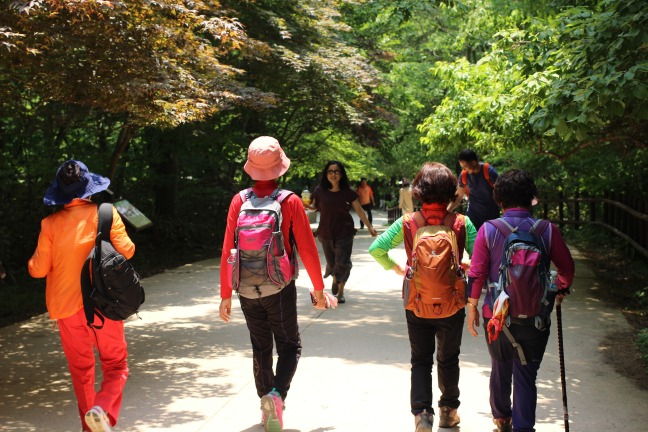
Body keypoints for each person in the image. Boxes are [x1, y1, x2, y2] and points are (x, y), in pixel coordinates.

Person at [218, 136, 328, 432]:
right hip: (279, 287)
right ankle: (277, 397)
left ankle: (265, 401)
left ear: (251, 169)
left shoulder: (239, 200)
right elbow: (306, 248)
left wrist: (225, 294)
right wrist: (318, 290)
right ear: (280, 168)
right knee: (290, 345)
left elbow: (228, 247)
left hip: (245, 287)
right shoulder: (289, 201)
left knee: (260, 345)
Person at [369, 162, 477, 432]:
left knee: (420, 360)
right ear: (450, 191)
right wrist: (462, 268)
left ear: (419, 190)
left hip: (417, 302)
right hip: (452, 303)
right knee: (449, 358)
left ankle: (421, 415)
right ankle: (448, 412)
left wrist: (400, 269)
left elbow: (376, 248)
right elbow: (480, 261)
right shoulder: (461, 223)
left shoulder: (408, 223)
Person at [28, 160, 135, 432]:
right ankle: (102, 409)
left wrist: (32, 262)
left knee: (81, 372)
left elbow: (38, 270)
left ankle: (90, 426)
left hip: (66, 308)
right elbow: (128, 250)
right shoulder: (106, 214)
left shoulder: (49, 224)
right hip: (105, 303)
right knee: (116, 365)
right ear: (89, 188)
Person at [465, 169, 575, 432]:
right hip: (536, 315)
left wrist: (472, 308)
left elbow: (477, 273)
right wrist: (554, 290)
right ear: (532, 198)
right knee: (526, 374)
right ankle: (523, 428)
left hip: (497, 315)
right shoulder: (547, 230)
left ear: (498, 199)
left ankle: (502, 418)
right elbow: (567, 271)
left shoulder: (488, 230)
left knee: (500, 368)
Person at [311, 161, 377, 303]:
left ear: (341, 174)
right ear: (326, 174)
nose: (333, 174)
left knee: (343, 262)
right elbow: (314, 207)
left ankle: (340, 292)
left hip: (344, 232)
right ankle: (335, 276)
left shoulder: (348, 192)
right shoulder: (319, 191)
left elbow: (359, 210)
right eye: (330, 171)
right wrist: (305, 205)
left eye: (336, 171)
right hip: (325, 232)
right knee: (331, 263)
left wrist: (370, 227)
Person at [448, 149, 500, 230]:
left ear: (474, 162)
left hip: (491, 216)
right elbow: (458, 196)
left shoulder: (489, 171)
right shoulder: (464, 175)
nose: (464, 169)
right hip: (473, 216)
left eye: (465, 166)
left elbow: (501, 193)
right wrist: (446, 213)